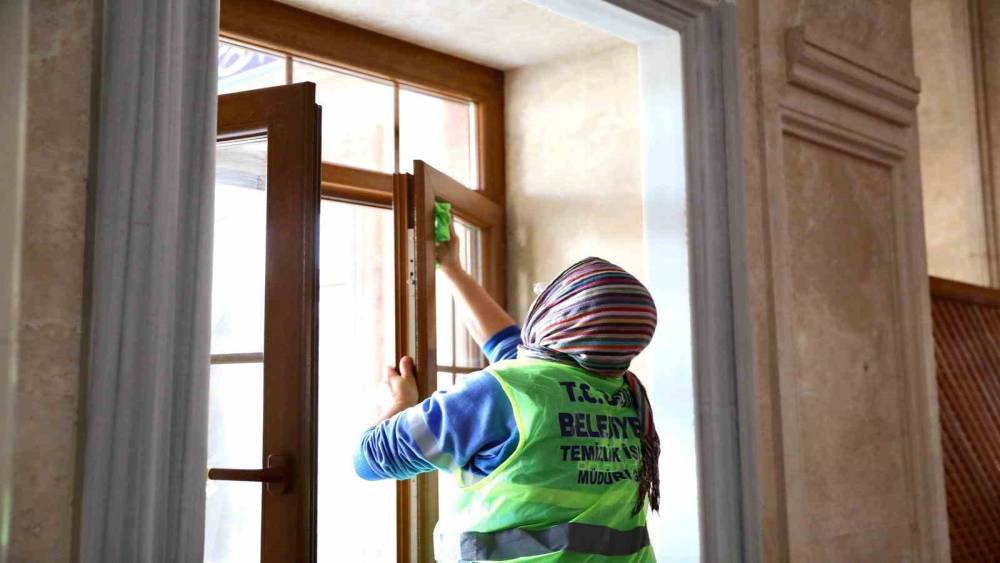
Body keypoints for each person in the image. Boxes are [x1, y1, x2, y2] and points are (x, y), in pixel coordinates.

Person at [354, 225, 660, 562]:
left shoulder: (507, 391)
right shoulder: (628, 397)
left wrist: (401, 401)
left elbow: (370, 458)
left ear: (556, 316)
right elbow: (510, 348)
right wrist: (452, 268)